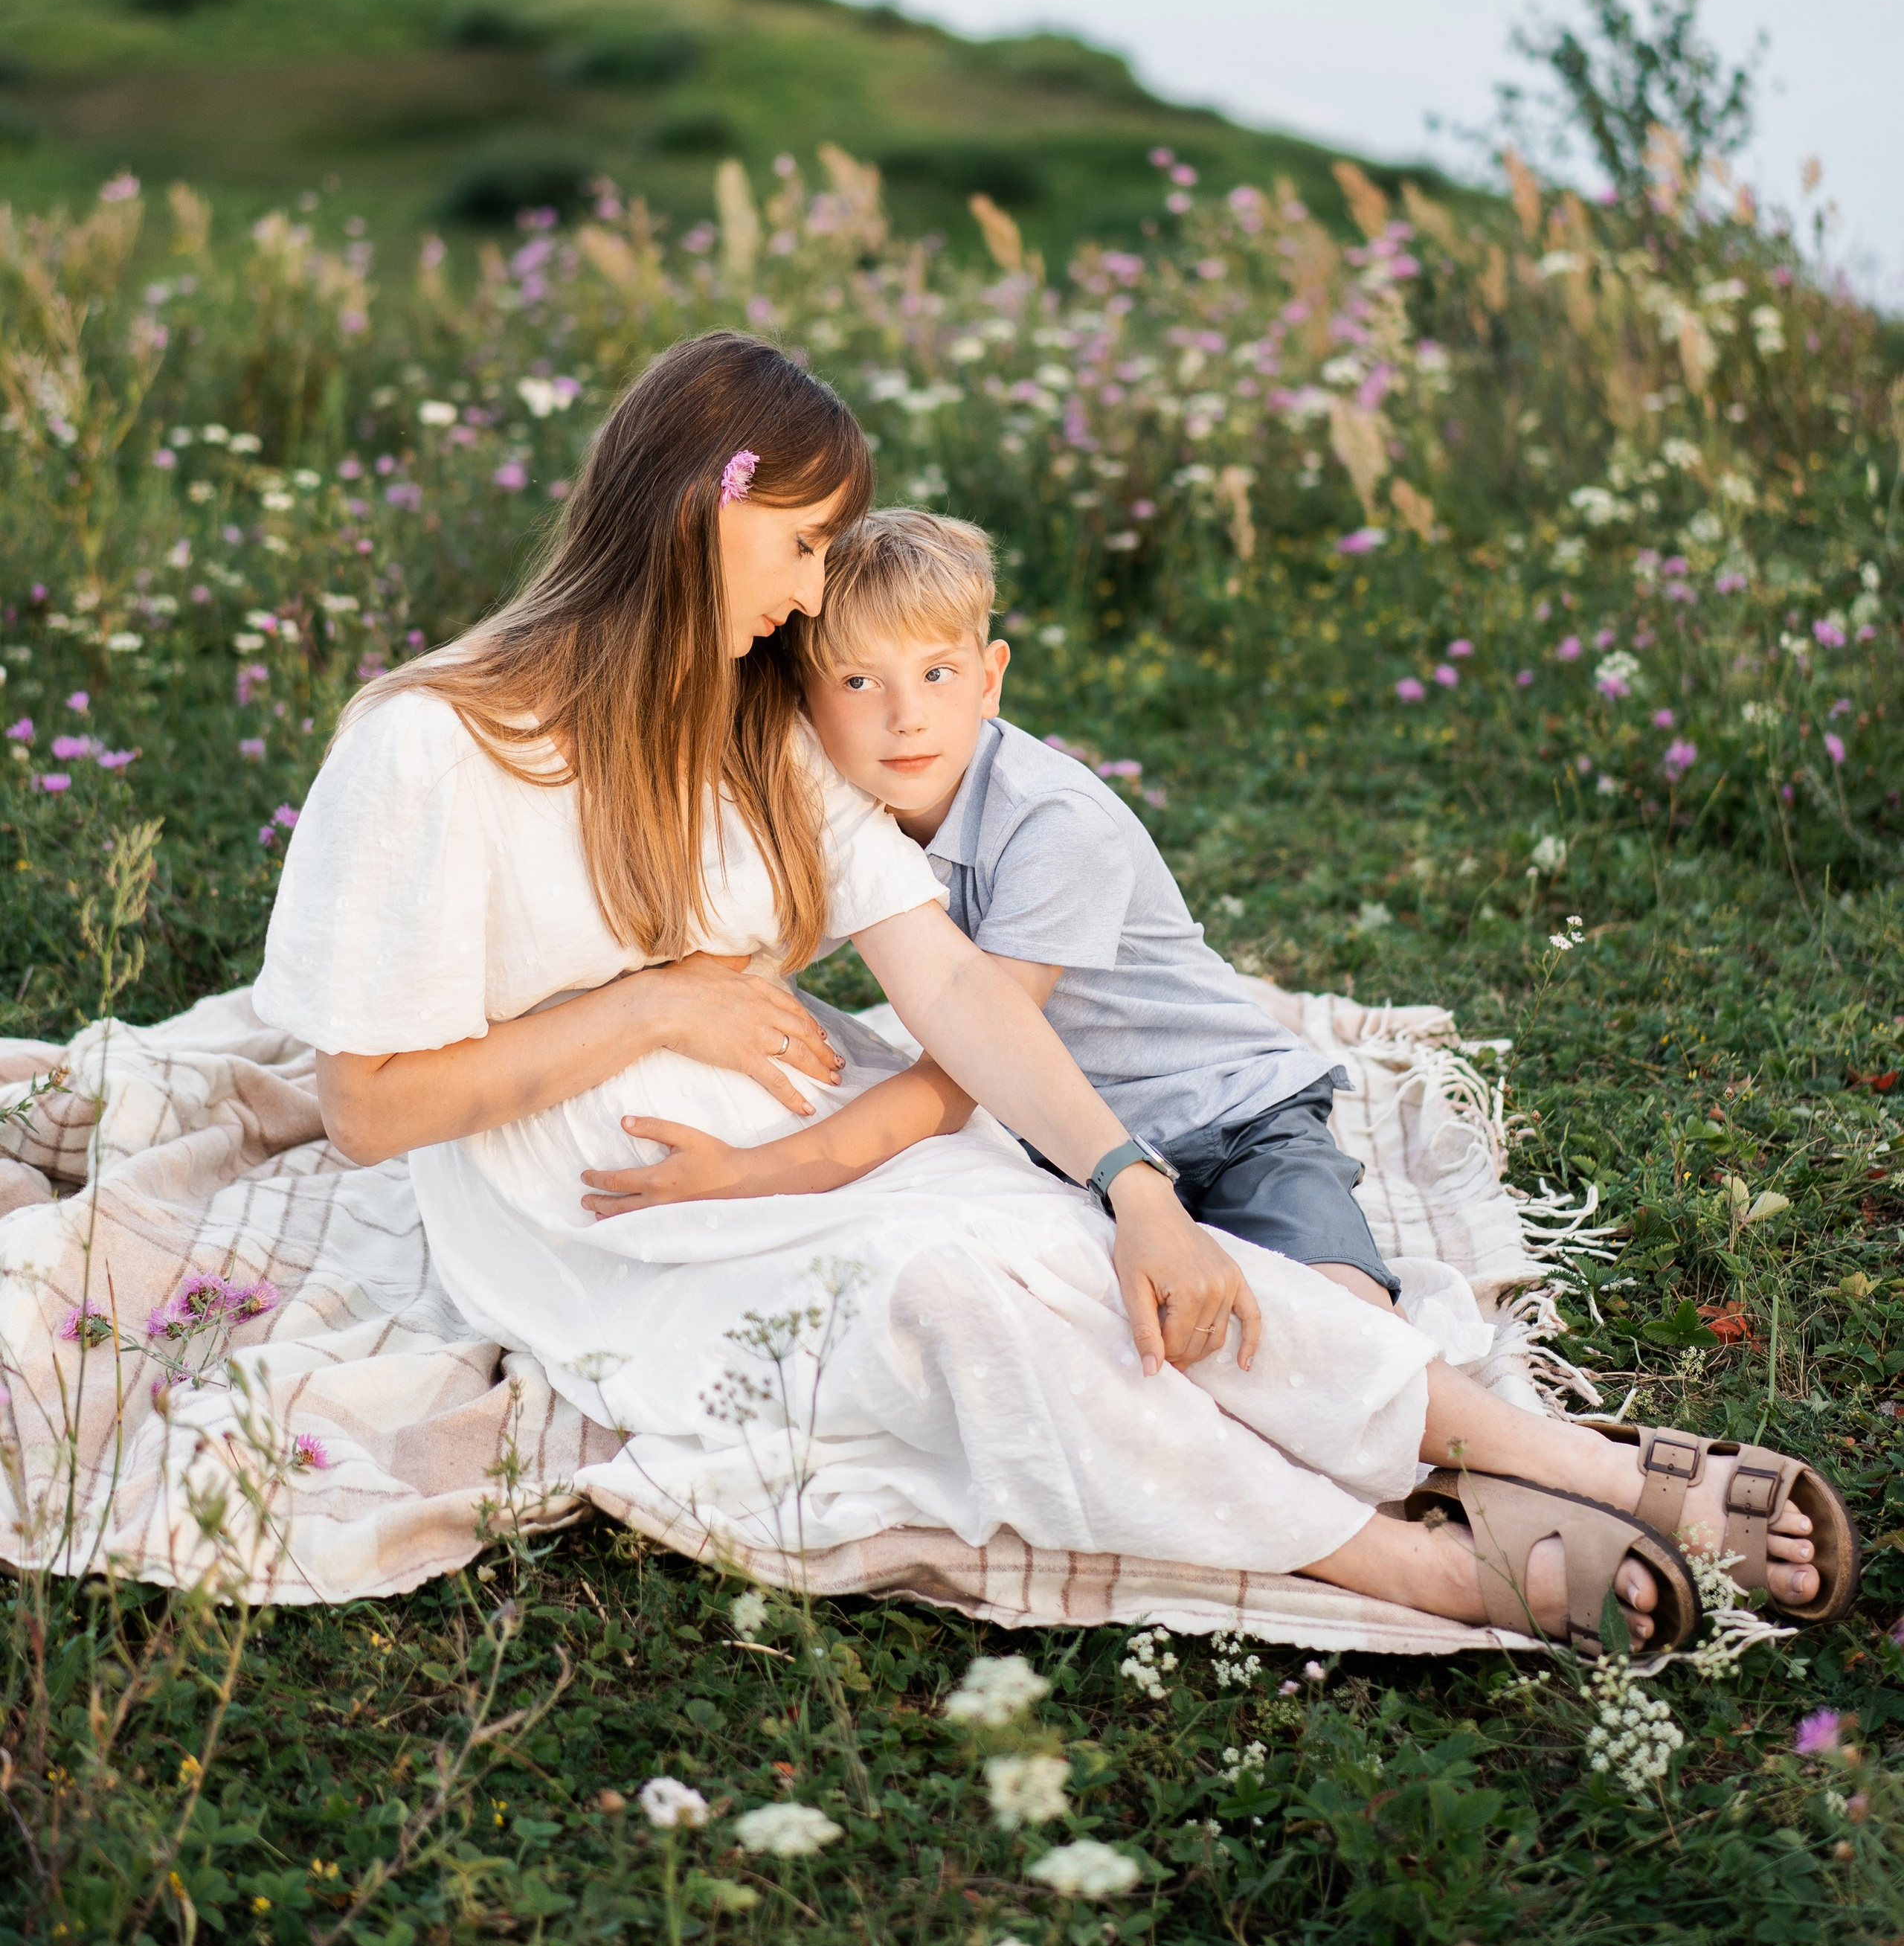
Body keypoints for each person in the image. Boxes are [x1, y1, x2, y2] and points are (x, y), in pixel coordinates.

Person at [250, 336, 1821, 1651]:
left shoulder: (753, 728)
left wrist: (1130, 1179)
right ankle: (1385, 1555)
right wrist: (655, 1008)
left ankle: (1555, 1457)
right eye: (802, 544)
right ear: (700, 510)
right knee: (951, 1303)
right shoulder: (428, 743)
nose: (812, 599)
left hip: (814, 1118)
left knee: (1061, 1252)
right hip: (594, 1204)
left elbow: (951, 986)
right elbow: (368, 1108)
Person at [580, 499, 1852, 1633]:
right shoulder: (855, 824)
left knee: (1339, 1339)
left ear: (992, 677)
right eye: (856, 682)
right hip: (1073, 1153)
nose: (904, 713)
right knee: (1175, 1369)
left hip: (1230, 1121)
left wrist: (771, 1169)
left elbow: (957, 1069)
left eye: (936, 671)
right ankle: (1426, 1513)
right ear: (806, 701)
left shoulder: (1052, 824)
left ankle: (1567, 1463)